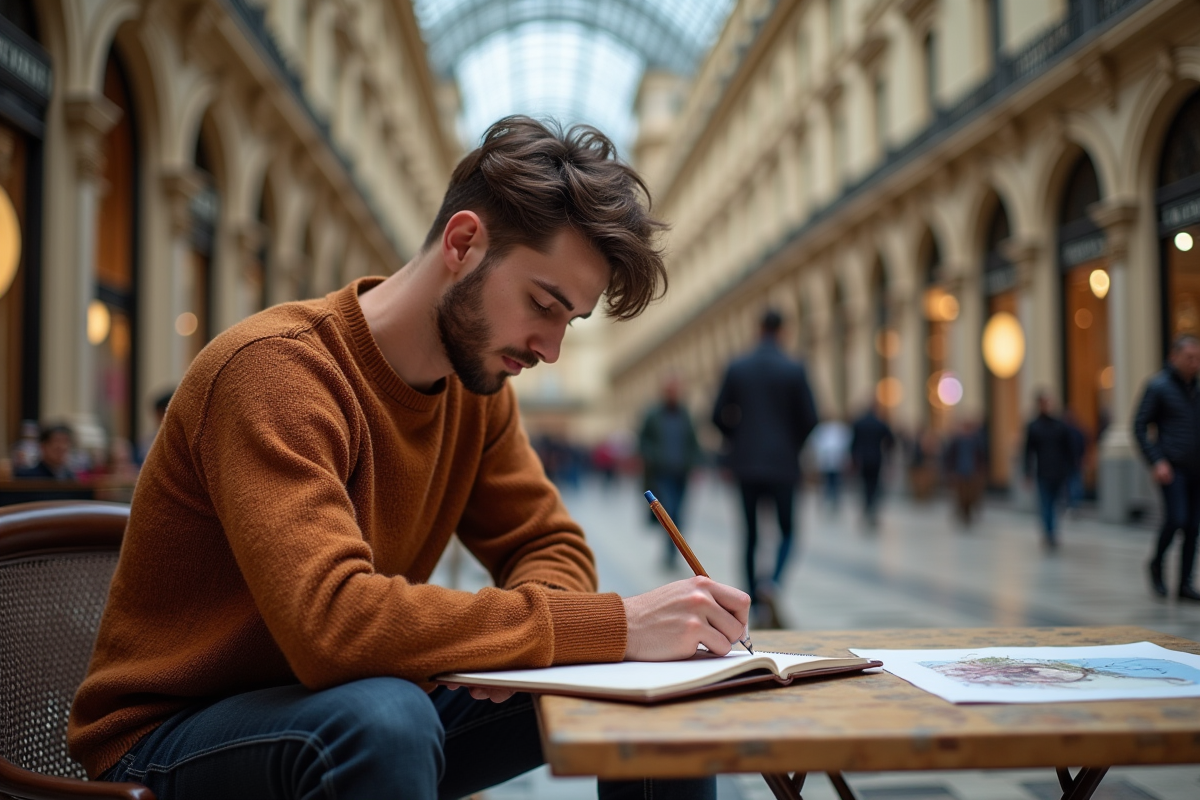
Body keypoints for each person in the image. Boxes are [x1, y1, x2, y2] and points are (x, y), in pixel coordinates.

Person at [68, 117, 748, 800]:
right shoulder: (274, 371)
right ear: (463, 242)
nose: (550, 350)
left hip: (350, 701)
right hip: (168, 737)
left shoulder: (476, 388)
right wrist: (601, 626)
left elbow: (550, 544)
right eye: (543, 304)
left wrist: (528, 637)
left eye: (568, 321)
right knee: (388, 718)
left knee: (653, 682)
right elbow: (332, 626)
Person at [712, 309, 818, 624]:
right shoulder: (795, 368)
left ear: (758, 329)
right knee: (788, 530)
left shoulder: (737, 367)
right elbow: (811, 417)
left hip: (746, 464)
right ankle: (771, 583)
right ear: (783, 330)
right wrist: (792, 444)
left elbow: (717, 415)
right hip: (784, 464)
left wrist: (738, 439)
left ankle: (751, 600)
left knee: (750, 534)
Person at [1134, 334, 1200, 601]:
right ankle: (1156, 564)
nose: (1194, 363)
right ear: (1174, 358)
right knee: (1176, 519)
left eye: (1198, 358)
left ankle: (1185, 583)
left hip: (1197, 468)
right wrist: (1156, 460)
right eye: (1190, 358)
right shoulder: (1158, 386)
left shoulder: (1197, 388)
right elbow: (1139, 426)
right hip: (1171, 468)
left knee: (1194, 527)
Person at [638, 376, 702, 569]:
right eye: (671, 390)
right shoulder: (653, 415)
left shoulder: (685, 414)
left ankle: (672, 551)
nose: (674, 393)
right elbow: (642, 441)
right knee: (670, 511)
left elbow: (693, 441)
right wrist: (652, 457)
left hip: (681, 472)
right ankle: (671, 552)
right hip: (661, 472)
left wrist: (696, 463)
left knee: (679, 512)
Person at [1023, 392, 1074, 551]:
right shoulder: (1034, 426)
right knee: (1046, 504)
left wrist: (1071, 467)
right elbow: (1028, 451)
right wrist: (1027, 472)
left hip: (1058, 471)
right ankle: (1049, 532)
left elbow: (1068, 448)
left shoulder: (1059, 425)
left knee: (1055, 503)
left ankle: (1051, 531)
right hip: (1043, 472)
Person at [849, 402, 894, 529]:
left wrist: (853, 457)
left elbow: (853, 442)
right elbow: (891, 440)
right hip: (876, 458)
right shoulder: (879, 423)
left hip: (863, 459)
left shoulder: (859, 423)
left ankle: (867, 507)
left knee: (865, 485)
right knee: (874, 485)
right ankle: (872, 508)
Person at [943, 419, 987, 527]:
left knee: (971, 495)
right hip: (960, 472)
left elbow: (982, 456)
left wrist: (982, 469)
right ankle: (963, 514)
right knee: (961, 495)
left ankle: (969, 513)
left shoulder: (976, 440)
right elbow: (949, 456)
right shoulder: (956, 441)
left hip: (973, 472)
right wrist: (950, 470)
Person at [811, 416, 851, 512]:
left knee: (834, 482)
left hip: (834, 461)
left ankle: (833, 501)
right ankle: (829, 501)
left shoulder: (837, 429)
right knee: (828, 482)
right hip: (828, 461)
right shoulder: (825, 429)